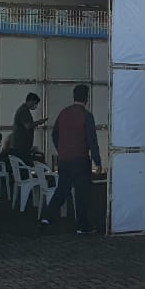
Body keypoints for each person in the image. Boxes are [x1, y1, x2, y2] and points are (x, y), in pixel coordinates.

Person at [40, 85, 104, 235]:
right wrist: (98, 162)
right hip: (80, 160)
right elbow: (92, 140)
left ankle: (46, 218)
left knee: (62, 190)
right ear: (87, 98)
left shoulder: (63, 113)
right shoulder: (86, 116)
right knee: (82, 194)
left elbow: (54, 134)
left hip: (64, 160)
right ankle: (82, 225)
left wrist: (61, 149)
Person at [11, 92, 48, 164]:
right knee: (24, 165)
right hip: (21, 145)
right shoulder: (24, 111)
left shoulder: (23, 110)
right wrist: (39, 122)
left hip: (21, 144)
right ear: (31, 101)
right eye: (35, 103)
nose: (35, 105)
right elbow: (27, 126)